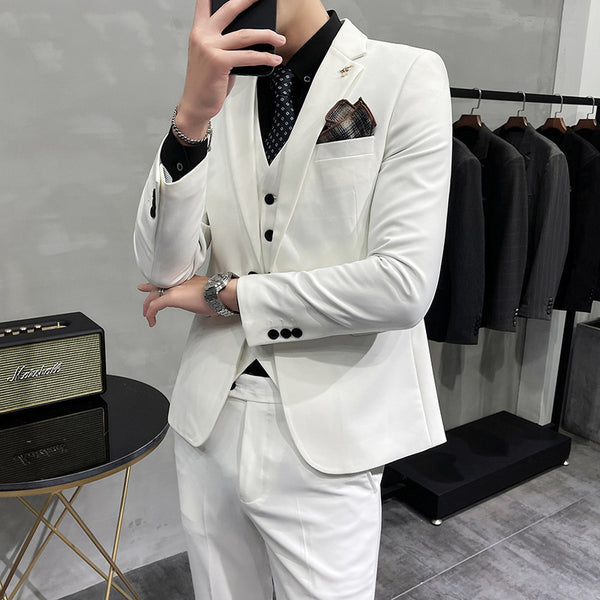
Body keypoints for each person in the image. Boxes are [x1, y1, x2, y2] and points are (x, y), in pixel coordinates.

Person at [134, 0, 452, 598]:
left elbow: (402, 286)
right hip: (209, 419)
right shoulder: (220, 96)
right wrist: (192, 118)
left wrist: (227, 294)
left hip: (330, 428)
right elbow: (163, 268)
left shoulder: (405, 75)